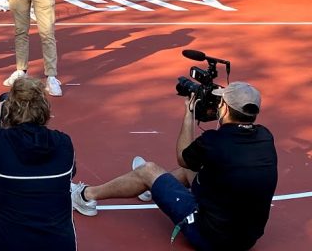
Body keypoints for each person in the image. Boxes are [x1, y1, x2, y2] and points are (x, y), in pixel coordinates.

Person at [71, 81, 277, 251]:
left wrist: (189, 113)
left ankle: (86, 197)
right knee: (193, 170)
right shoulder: (265, 137)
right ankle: (151, 188)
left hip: (210, 238)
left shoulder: (214, 141)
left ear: (224, 107)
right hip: (247, 240)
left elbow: (182, 157)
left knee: (147, 170)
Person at [0, 76, 76, 251]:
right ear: (45, 109)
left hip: (10, 244)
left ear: (9, 110)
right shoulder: (64, 142)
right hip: (60, 245)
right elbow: (71, 174)